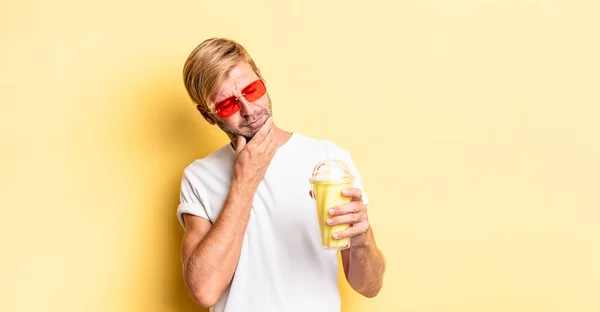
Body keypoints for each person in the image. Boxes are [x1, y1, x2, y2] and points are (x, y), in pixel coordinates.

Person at [176, 37, 386, 312]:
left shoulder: (327, 160)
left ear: (262, 78)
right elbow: (204, 290)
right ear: (207, 115)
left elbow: (369, 287)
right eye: (228, 104)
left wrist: (361, 242)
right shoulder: (199, 177)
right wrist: (244, 181)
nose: (249, 110)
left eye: (252, 90)